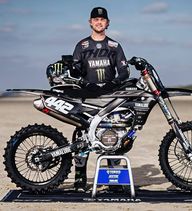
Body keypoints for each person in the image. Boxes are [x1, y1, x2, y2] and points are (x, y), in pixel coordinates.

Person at [72, 7, 129, 191]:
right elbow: (74, 71)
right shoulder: (81, 46)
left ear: (108, 23)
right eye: (95, 19)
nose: (99, 22)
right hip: (87, 97)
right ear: (90, 22)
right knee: (82, 135)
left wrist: (112, 84)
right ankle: (80, 177)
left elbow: (124, 72)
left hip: (110, 98)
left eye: (102, 19)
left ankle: (113, 178)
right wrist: (84, 83)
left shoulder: (114, 46)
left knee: (114, 134)